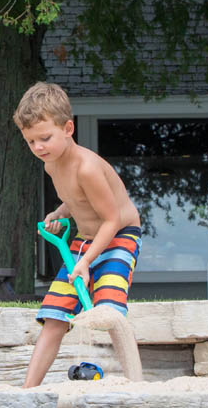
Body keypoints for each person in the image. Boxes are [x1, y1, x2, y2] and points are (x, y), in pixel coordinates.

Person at [13, 82, 142, 389]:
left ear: (68, 128)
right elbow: (76, 199)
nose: (39, 147)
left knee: (109, 311)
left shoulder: (87, 167)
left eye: (45, 138)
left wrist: (84, 263)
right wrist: (60, 213)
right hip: (84, 242)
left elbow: (111, 219)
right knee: (55, 314)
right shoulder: (51, 165)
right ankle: (27, 389)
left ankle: (137, 386)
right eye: (31, 141)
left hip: (119, 236)